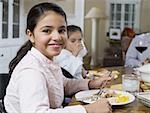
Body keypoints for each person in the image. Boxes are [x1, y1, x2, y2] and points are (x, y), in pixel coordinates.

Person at [4, 2, 112, 113]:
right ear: (31, 35)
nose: (57, 37)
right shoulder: (31, 71)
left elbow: (63, 85)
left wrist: (91, 84)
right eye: (46, 31)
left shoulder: (47, 60)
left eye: (61, 30)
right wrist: (88, 110)